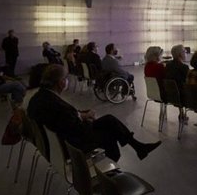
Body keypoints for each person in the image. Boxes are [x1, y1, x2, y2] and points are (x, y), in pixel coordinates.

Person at [27, 64, 161, 162]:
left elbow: (63, 119)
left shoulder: (40, 98)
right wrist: (86, 119)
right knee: (110, 133)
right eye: (65, 78)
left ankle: (138, 147)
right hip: (71, 144)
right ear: (61, 82)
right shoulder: (53, 103)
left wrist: (81, 115)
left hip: (60, 139)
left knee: (109, 119)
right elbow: (73, 125)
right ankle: (114, 166)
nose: (67, 81)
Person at [165, 44, 190, 123]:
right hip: (182, 97)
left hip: (171, 96)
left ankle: (181, 113)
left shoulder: (168, 66)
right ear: (180, 54)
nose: (186, 53)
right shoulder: (184, 68)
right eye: (184, 51)